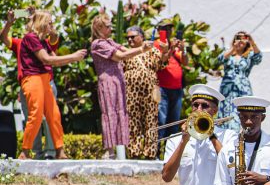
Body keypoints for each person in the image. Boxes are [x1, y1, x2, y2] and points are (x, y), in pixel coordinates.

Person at [16, 10, 86, 160]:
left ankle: (60, 151)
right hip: (32, 78)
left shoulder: (42, 41)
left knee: (54, 115)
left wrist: (72, 57)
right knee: (35, 115)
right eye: (50, 23)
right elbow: (46, 59)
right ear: (41, 23)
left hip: (44, 79)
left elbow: (55, 58)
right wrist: (73, 57)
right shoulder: (30, 38)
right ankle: (25, 152)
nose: (52, 26)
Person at [2, 9, 58, 159]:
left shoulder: (44, 42)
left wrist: (51, 28)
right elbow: (4, 38)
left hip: (46, 83)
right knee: (32, 119)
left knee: (49, 118)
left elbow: (54, 42)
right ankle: (37, 153)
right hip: (29, 85)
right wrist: (9, 22)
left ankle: (51, 153)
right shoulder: (21, 43)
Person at [89, 13, 138, 158]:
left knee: (120, 113)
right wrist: (142, 50)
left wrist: (145, 48)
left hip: (117, 81)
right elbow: (120, 56)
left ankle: (122, 150)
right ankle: (109, 151)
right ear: (99, 28)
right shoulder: (98, 44)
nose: (111, 28)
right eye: (108, 26)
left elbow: (126, 51)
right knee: (110, 113)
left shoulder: (109, 41)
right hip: (108, 82)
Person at [123, 26, 173, 159]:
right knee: (133, 122)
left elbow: (162, 64)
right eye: (128, 37)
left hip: (150, 92)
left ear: (141, 37)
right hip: (131, 92)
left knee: (151, 121)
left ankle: (150, 153)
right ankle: (134, 152)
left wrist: (165, 50)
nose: (129, 40)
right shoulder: (126, 52)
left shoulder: (152, 51)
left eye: (132, 37)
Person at [216, 31, 263, 131]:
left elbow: (258, 57)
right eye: (238, 37)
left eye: (243, 38)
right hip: (227, 90)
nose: (241, 40)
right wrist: (234, 48)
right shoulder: (228, 53)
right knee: (226, 114)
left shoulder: (249, 55)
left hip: (243, 90)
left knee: (242, 113)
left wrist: (252, 41)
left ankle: (242, 138)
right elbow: (219, 59)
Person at [157, 35, 189, 142]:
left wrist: (183, 49)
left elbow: (185, 62)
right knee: (161, 121)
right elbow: (163, 60)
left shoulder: (176, 51)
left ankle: (170, 151)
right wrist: (170, 48)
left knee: (174, 123)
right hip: (162, 89)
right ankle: (157, 152)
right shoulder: (158, 45)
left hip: (176, 90)